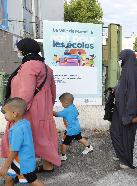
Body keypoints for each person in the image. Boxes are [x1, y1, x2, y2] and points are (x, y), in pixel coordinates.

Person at [1, 38, 60, 172]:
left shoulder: (29, 65)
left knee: (22, 138)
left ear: (24, 50)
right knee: (43, 137)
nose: (18, 52)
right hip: (43, 110)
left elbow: (26, 91)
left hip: (28, 110)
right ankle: (47, 165)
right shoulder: (46, 67)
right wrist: (48, 107)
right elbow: (53, 91)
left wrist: (15, 110)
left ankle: (19, 170)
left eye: (19, 49)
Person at [110, 49, 137, 169]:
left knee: (125, 135)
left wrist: (128, 115)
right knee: (116, 132)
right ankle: (121, 154)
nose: (120, 60)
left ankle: (127, 160)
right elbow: (123, 88)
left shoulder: (128, 72)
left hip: (126, 112)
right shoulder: (127, 70)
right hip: (121, 110)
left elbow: (132, 94)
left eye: (121, 58)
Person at [0, 98, 44, 185]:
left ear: (14, 114)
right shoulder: (25, 123)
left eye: (5, 112)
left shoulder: (17, 130)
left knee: (33, 181)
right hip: (21, 161)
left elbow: (14, 151)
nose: (4, 115)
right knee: (10, 177)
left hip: (23, 164)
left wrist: (5, 166)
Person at [53, 93, 94, 161]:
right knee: (80, 138)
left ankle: (63, 156)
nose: (61, 104)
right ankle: (89, 147)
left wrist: (49, 111)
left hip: (71, 131)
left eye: (62, 103)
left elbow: (57, 114)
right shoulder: (73, 106)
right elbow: (77, 113)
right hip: (77, 128)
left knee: (64, 144)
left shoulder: (66, 110)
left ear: (66, 102)